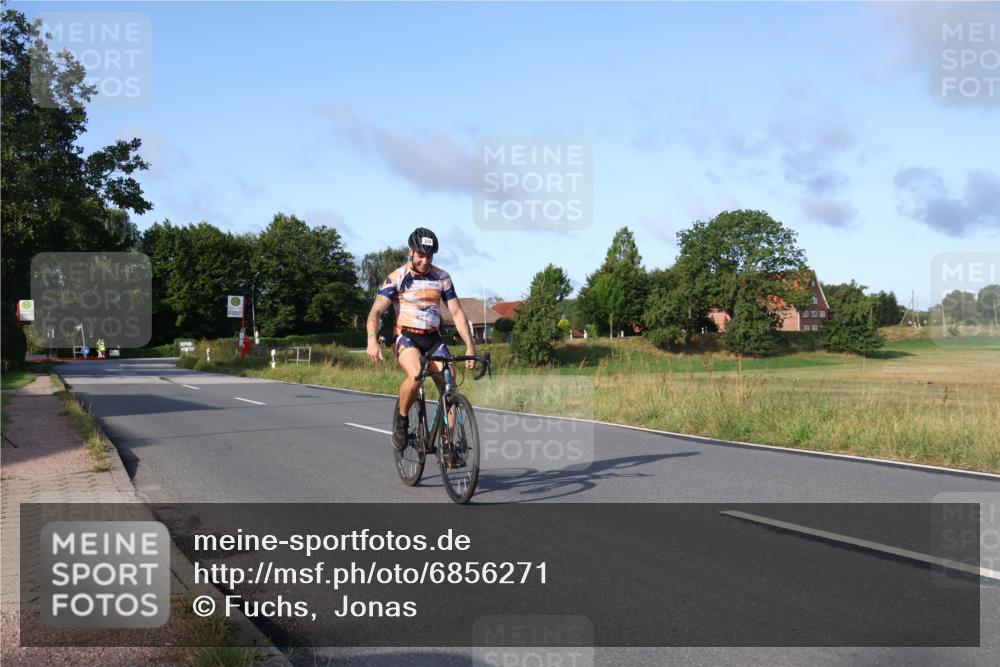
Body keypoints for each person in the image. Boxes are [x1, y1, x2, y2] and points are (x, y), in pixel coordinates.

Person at [366, 227, 476, 453]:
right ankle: (402, 420)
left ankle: (447, 446)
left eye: (430, 256)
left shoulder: (442, 277)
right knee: (416, 375)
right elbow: (375, 313)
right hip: (406, 337)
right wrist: (372, 340)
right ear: (411, 252)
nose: (425, 261)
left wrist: (470, 345)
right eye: (421, 255)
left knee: (450, 383)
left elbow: (456, 312)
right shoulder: (396, 278)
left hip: (433, 338)